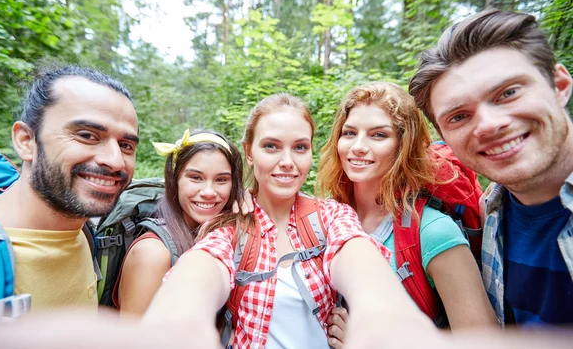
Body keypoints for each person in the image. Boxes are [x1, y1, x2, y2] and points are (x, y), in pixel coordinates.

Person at [142, 93, 435, 348]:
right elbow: (204, 265)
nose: (287, 161)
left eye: (299, 147)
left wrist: (382, 311)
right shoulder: (227, 226)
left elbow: (357, 256)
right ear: (249, 152)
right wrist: (179, 317)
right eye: (271, 146)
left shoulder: (332, 215)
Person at [409, 9, 573, 327]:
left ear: (560, 85)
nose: (488, 125)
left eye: (508, 93)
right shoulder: (491, 212)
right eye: (458, 116)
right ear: (444, 139)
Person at [317, 81, 497, 330]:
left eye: (378, 134)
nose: (358, 147)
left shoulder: (433, 231)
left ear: (404, 147)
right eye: (349, 133)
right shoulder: (326, 217)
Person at [0, 65, 138, 312]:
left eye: (126, 145)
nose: (115, 161)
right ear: (26, 141)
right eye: (87, 135)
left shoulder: (83, 232)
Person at [115, 129, 244, 317]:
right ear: (174, 179)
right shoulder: (152, 253)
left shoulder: (219, 233)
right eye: (195, 178)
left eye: (221, 179)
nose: (208, 191)